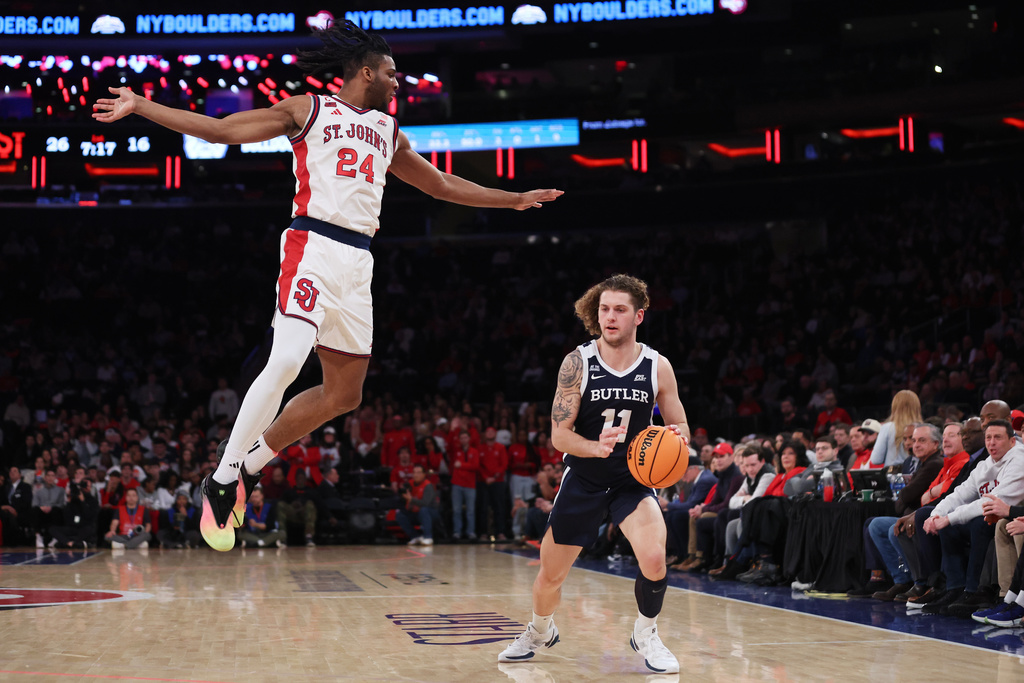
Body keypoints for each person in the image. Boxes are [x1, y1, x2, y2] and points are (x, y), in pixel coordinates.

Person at [93, 19, 562, 552]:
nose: (398, 81)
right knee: (288, 360)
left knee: (345, 394)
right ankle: (223, 477)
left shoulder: (388, 131)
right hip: (311, 244)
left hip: (358, 261)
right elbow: (220, 129)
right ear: (366, 71)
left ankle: (250, 464)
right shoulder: (308, 109)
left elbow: (442, 184)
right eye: (391, 72)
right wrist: (142, 106)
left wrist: (514, 199)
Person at [499, 274, 690, 674]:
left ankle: (647, 633)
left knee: (655, 557)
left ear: (638, 315)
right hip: (584, 477)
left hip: (632, 479)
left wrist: (677, 438)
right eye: (604, 309)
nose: (610, 317)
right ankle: (539, 629)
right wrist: (595, 447)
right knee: (549, 577)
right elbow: (558, 436)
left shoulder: (658, 366)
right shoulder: (577, 362)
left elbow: (681, 426)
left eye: (619, 309)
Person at [922, 419, 1024, 617]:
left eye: (998, 438)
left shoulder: (1019, 459)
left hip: (1011, 515)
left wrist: (950, 518)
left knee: (981, 521)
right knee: (946, 525)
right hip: (1002, 517)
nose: (992, 443)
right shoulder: (984, 465)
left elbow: (993, 503)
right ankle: (954, 589)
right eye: (988, 438)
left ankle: (975, 592)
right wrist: (937, 515)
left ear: (1012, 441)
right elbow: (959, 493)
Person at [869, 390, 923, 467]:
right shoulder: (924, 429)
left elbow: (876, 459)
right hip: (916, 474)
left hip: (892, 476)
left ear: (894, 407)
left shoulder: (887, 428)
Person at [397, 464, 442, 546]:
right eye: (414, 472)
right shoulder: (410, 484)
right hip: (417, 513)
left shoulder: (428, 485)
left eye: (418, 472)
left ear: (424, 474)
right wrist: (402, 492)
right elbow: (403, 494)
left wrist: (411, 500)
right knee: (400, 514)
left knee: (424, 509)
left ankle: (428, 537)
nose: (416, 475)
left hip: (431, 514)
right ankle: (415, 537)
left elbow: (426, 503)